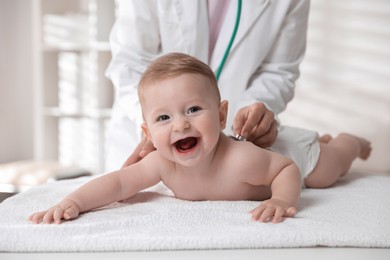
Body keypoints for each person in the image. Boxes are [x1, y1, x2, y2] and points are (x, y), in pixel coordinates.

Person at [29, 53, 372, 225]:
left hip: (292, 152)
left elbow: (285, 170)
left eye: (193, 109)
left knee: (328, 171)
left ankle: (346, 141)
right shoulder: (162, 162)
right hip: (273, 158)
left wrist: (282, 200)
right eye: (163, 117)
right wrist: (72, 202)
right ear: (148, 134)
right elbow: (119, 183)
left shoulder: (240, 159)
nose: (180, 126)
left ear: (221, 116)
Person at [104, 0, 311, 171]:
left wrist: (255, 109)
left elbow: (278, 69)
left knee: (317, 159)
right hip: (138, 140)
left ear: (222, 114)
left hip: (230, 147)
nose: (182, 125)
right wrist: (157, 123)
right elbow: (130, 62)